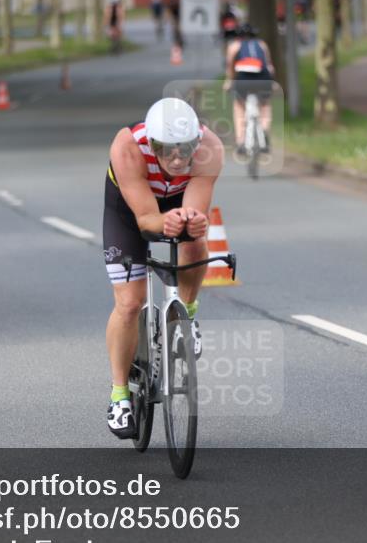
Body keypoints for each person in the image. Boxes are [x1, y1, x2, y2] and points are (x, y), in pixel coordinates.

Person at [102, 98, 224, 439]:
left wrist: (191, 222)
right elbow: (145, 219)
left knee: (195, 237)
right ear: (150, 143)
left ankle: (187, 311)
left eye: (184, 149)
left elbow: (195, 208)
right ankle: (119, 395)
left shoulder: (210, 147)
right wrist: (162, 221)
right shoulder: (127, 147)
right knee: (129, 303)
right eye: (165, 149)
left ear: (196, 143)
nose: (175, 158)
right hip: (131, 209)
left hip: (180, 199)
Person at [223, 24, 274, 158]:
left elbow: (230, 67)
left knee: (239, 107)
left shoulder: (234, 46)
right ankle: (264, 130)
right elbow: (269, 65)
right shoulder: (262, 44)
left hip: (243, 79)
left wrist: (229, 82)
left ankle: (240, 141)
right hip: (263, 78)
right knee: (265, 105)